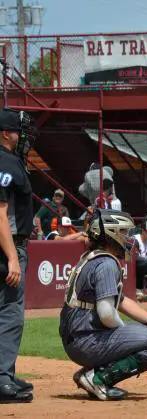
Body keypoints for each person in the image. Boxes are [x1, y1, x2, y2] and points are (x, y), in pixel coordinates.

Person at [59, 209, 147, 401]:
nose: (126, 238)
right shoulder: (106, 263)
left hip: (79, 338)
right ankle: (98, 378)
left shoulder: (92, 257)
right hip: (87, 340)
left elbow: (120, 301)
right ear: (110, 234)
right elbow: (106, 314)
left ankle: (91, 373)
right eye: (122, 232)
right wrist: (131, 333)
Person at [0, 108, 35, 403]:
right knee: (10, 314)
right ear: (5, 134)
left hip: (7, 245)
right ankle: (1, 379)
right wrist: (12, 256)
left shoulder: (9, 160)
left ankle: (5, 373)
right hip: (6, 249)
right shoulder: (4, 161)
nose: (22, 136)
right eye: (18, 131)